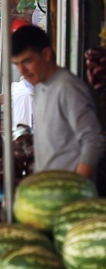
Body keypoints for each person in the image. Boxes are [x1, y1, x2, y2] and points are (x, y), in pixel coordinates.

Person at [11, 25, 105, 178]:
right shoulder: (39, 87)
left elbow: (94, 141)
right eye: (17, 64)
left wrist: (75, 185)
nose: (22, 70)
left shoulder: (68, 87)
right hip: (47, 188)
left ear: (46, 54)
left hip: (69, 194)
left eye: (27, 61)